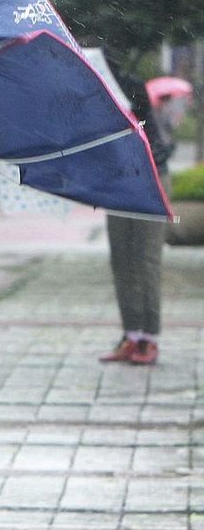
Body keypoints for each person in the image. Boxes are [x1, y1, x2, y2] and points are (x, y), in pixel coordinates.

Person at [98, 61, 175, 366]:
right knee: (122, 259)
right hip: (118, 181)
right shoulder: (89, 94)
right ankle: (131, 334)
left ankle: (150, 338)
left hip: (150, 176)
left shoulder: (130, 85)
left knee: (145, 259)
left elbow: (140, 131)